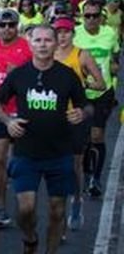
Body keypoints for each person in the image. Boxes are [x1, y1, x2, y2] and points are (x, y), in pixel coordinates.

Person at [0, 24, 89, 254]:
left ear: (55, 44)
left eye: (48, 40)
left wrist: (82, 113)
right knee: (25, 210)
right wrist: (8, 122)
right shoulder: (19, 74)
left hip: (59, 153)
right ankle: (30, 238)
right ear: (30, 43)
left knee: (56, 211)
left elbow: (86, 105)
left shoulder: (67, 75)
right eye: (38, 40)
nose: (43, 45)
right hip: (26, 153)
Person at [54, 15, 105, 231]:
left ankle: (76, 202)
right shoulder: (49, 54)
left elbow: (101, 84)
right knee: (57, 167)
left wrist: (83, 85)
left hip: (75, 116)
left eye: (66, 32)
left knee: (73, 164)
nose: (62, 36)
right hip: (53, 116)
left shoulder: (82, 55)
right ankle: (59, 214)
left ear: (73, 34)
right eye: (58, 32)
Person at [0, 8, 33, 227]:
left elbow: (37, 78)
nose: (6, 29)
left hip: (23, 111)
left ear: (17, 26)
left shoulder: (27, 48)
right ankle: (1, 207)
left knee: (23, 162)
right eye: (2, 25)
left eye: (11, 25)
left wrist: (19, 74)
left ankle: (26, 205)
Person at [74, 0, 119, 198]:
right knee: (83, 138)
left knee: (97, 135)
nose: (91, 19)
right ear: (82, 16)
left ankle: (96, 179)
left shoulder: (110, 33)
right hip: (81, 92)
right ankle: (86, 172)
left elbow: (115, 56)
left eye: (95, 15)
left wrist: (113, 67)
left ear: (101, 17)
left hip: (103, 91)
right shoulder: (76, 34)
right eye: (87, 15)